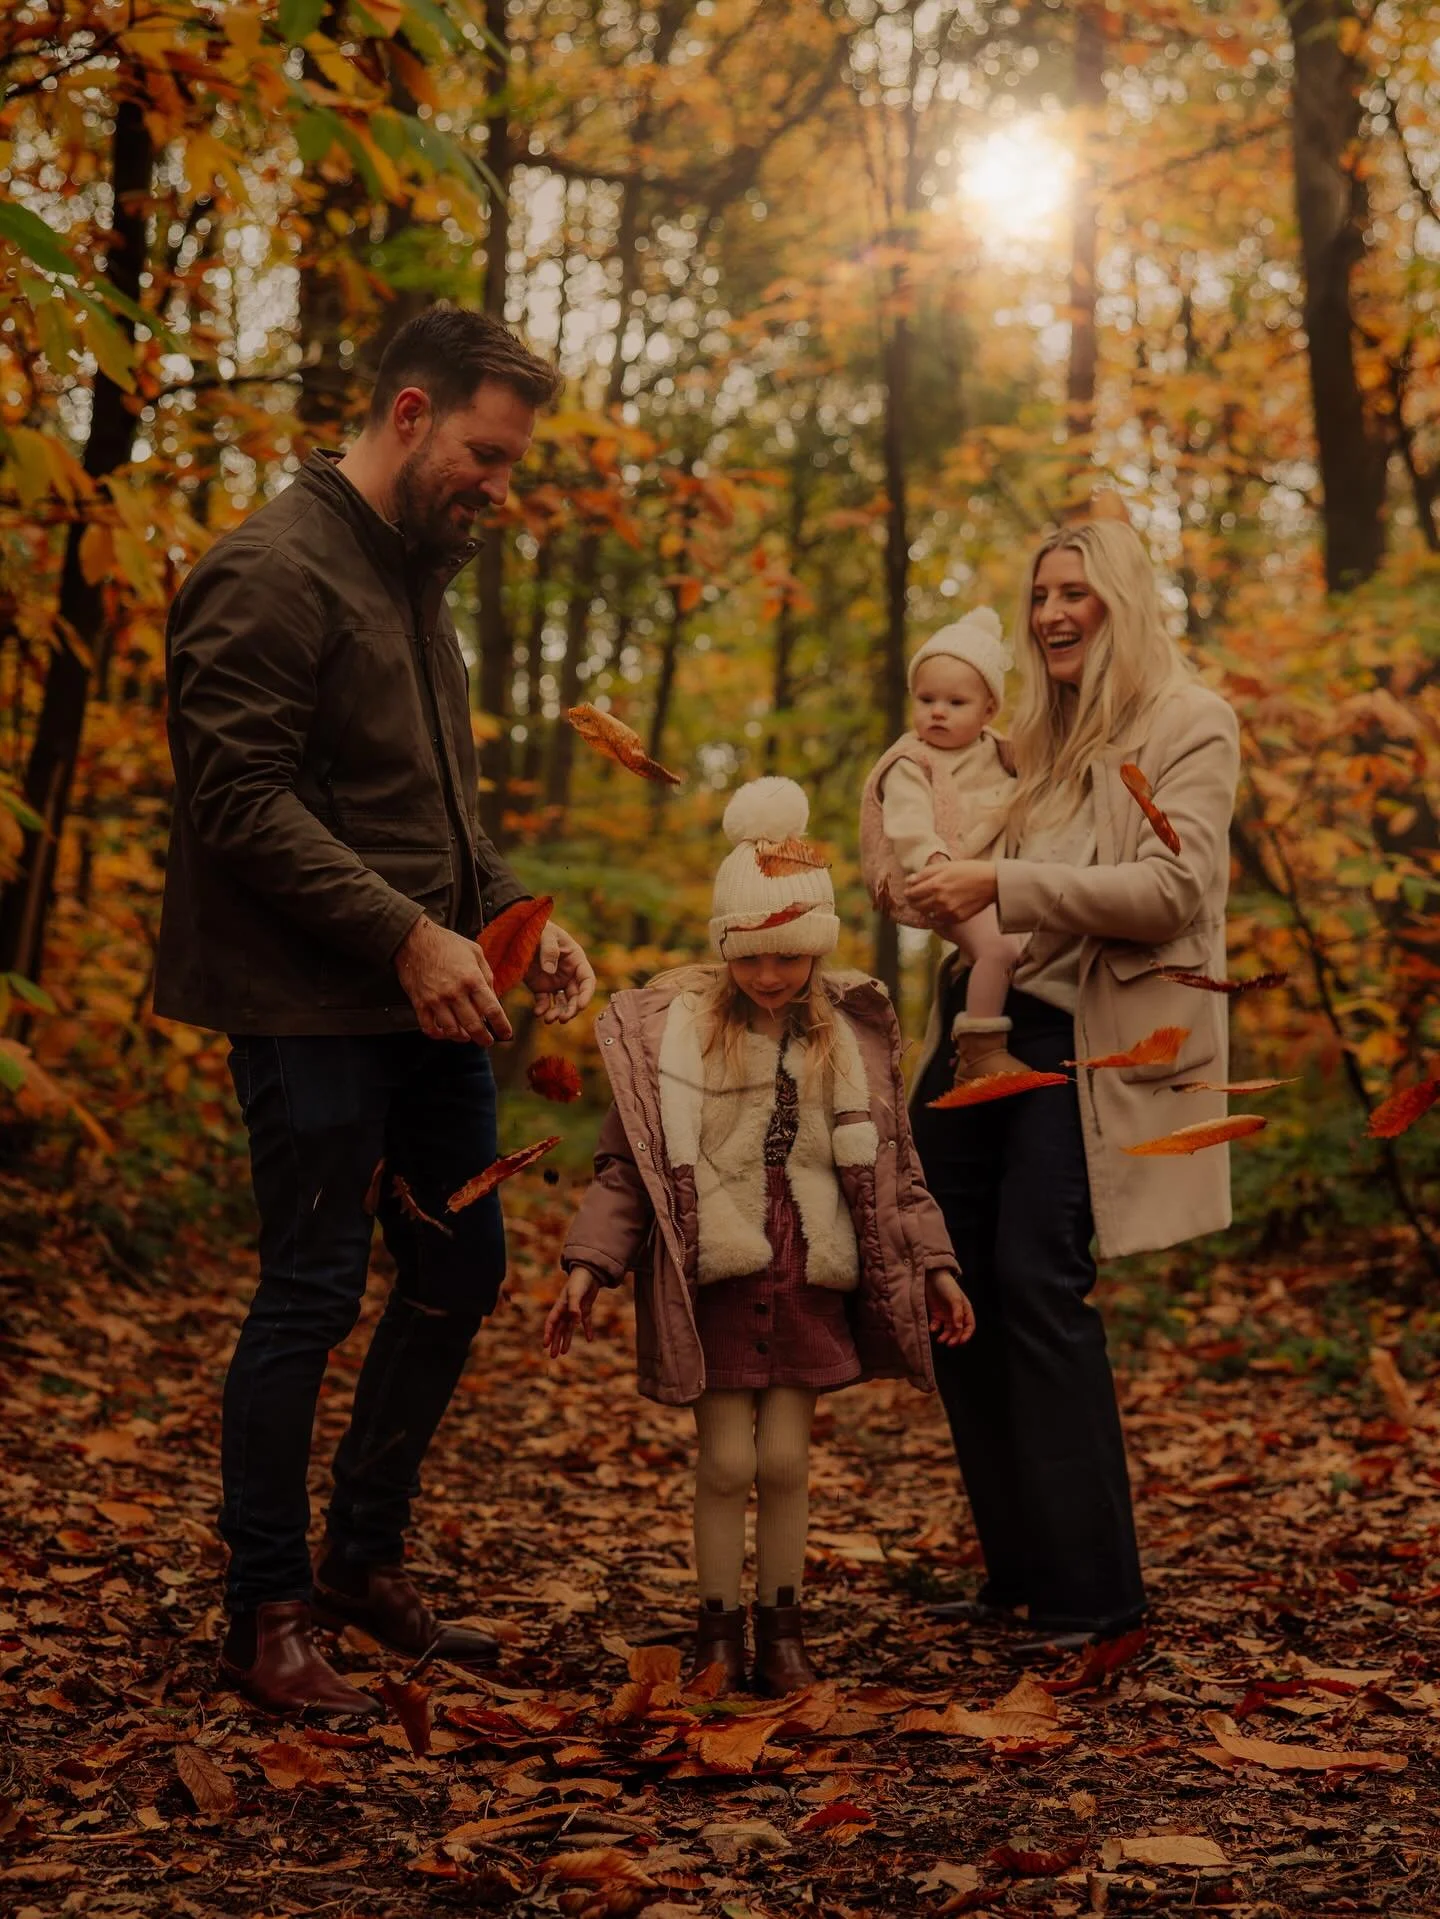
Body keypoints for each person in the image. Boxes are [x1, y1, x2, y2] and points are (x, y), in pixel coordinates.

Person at [155, 306, 596, 1716]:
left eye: (511, 462)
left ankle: (360, 1557)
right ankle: (264, 1610)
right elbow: (238, 803)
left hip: (428, 1004)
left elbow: (433, 819)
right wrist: (407, 935)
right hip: (306, 1001)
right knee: (312, 1287)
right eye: (484, 451)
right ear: (409, 414)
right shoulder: (266, 568)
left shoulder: (416, 580)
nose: (499, 486)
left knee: (460, 1268)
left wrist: (521, 914)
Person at [544, 778, 972, 1696]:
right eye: (752, 957)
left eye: (789, 956)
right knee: (727, 1458)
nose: (771, 976)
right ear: (726, 948)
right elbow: (629, 1168)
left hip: (811, 1267)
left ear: (815, 949)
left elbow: (893, 1169)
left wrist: (934, 1263)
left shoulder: (845, 1040)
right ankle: (717, 1631)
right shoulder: (678, 1042)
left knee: (782, 1458)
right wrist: (587, 1267)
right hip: (720, 1270)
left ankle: (782, 1627)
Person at [904, 501, 1240, 1655]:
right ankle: (1018, 1574)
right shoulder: (1035, 743)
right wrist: (943, 892)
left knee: (1036, 1284)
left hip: (1084, 1048)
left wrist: (1001, 878)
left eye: (1072, 592)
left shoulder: (1188, 721)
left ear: (1121, 601)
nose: (1051, 612)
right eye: (1040, 594)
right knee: (953, 1292)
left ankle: (1097, 1593)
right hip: (979, 1035)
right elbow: (1001, 902)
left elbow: (1170, 891)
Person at [859, 607, 1029, 1081]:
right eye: (926, 698)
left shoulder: (998, 752)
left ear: (988, 711)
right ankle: (980, 1050)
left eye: (956, 703)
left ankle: (978, 1020)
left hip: (992, 881)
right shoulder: (913, 762)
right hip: (943, 880)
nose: (937, 711)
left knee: (1012, 947)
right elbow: (908, 824)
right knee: (999, 950)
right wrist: (935, 860)